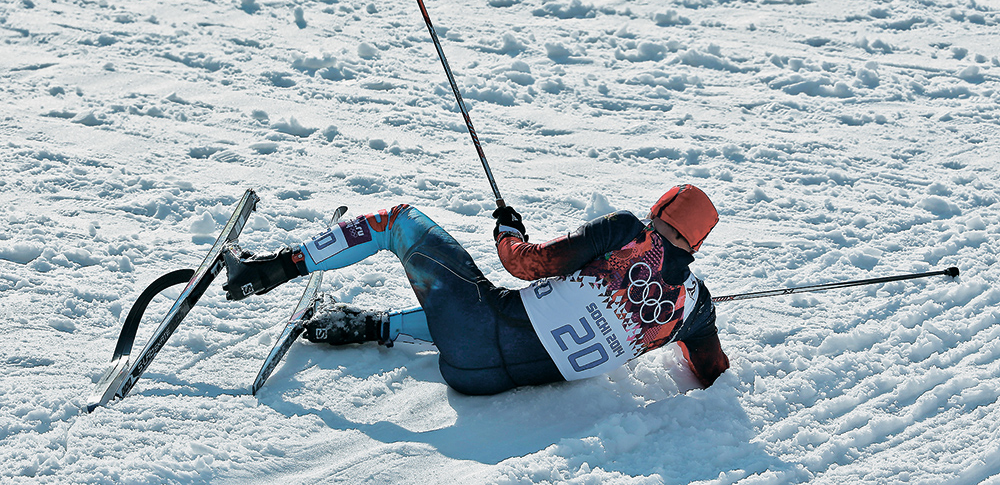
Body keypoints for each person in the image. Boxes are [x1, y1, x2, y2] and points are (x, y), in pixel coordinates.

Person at [223, 184, 730, 395]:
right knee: (516, 321)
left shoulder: (626, 231)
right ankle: (373, 327)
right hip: (487, 381)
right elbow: (713, 371)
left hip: (476, 330)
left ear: (659, 210)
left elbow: (525, 266)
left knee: (398, 223)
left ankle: (271, 269)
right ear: (698, 244)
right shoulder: (695, 308)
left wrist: (508, 231)